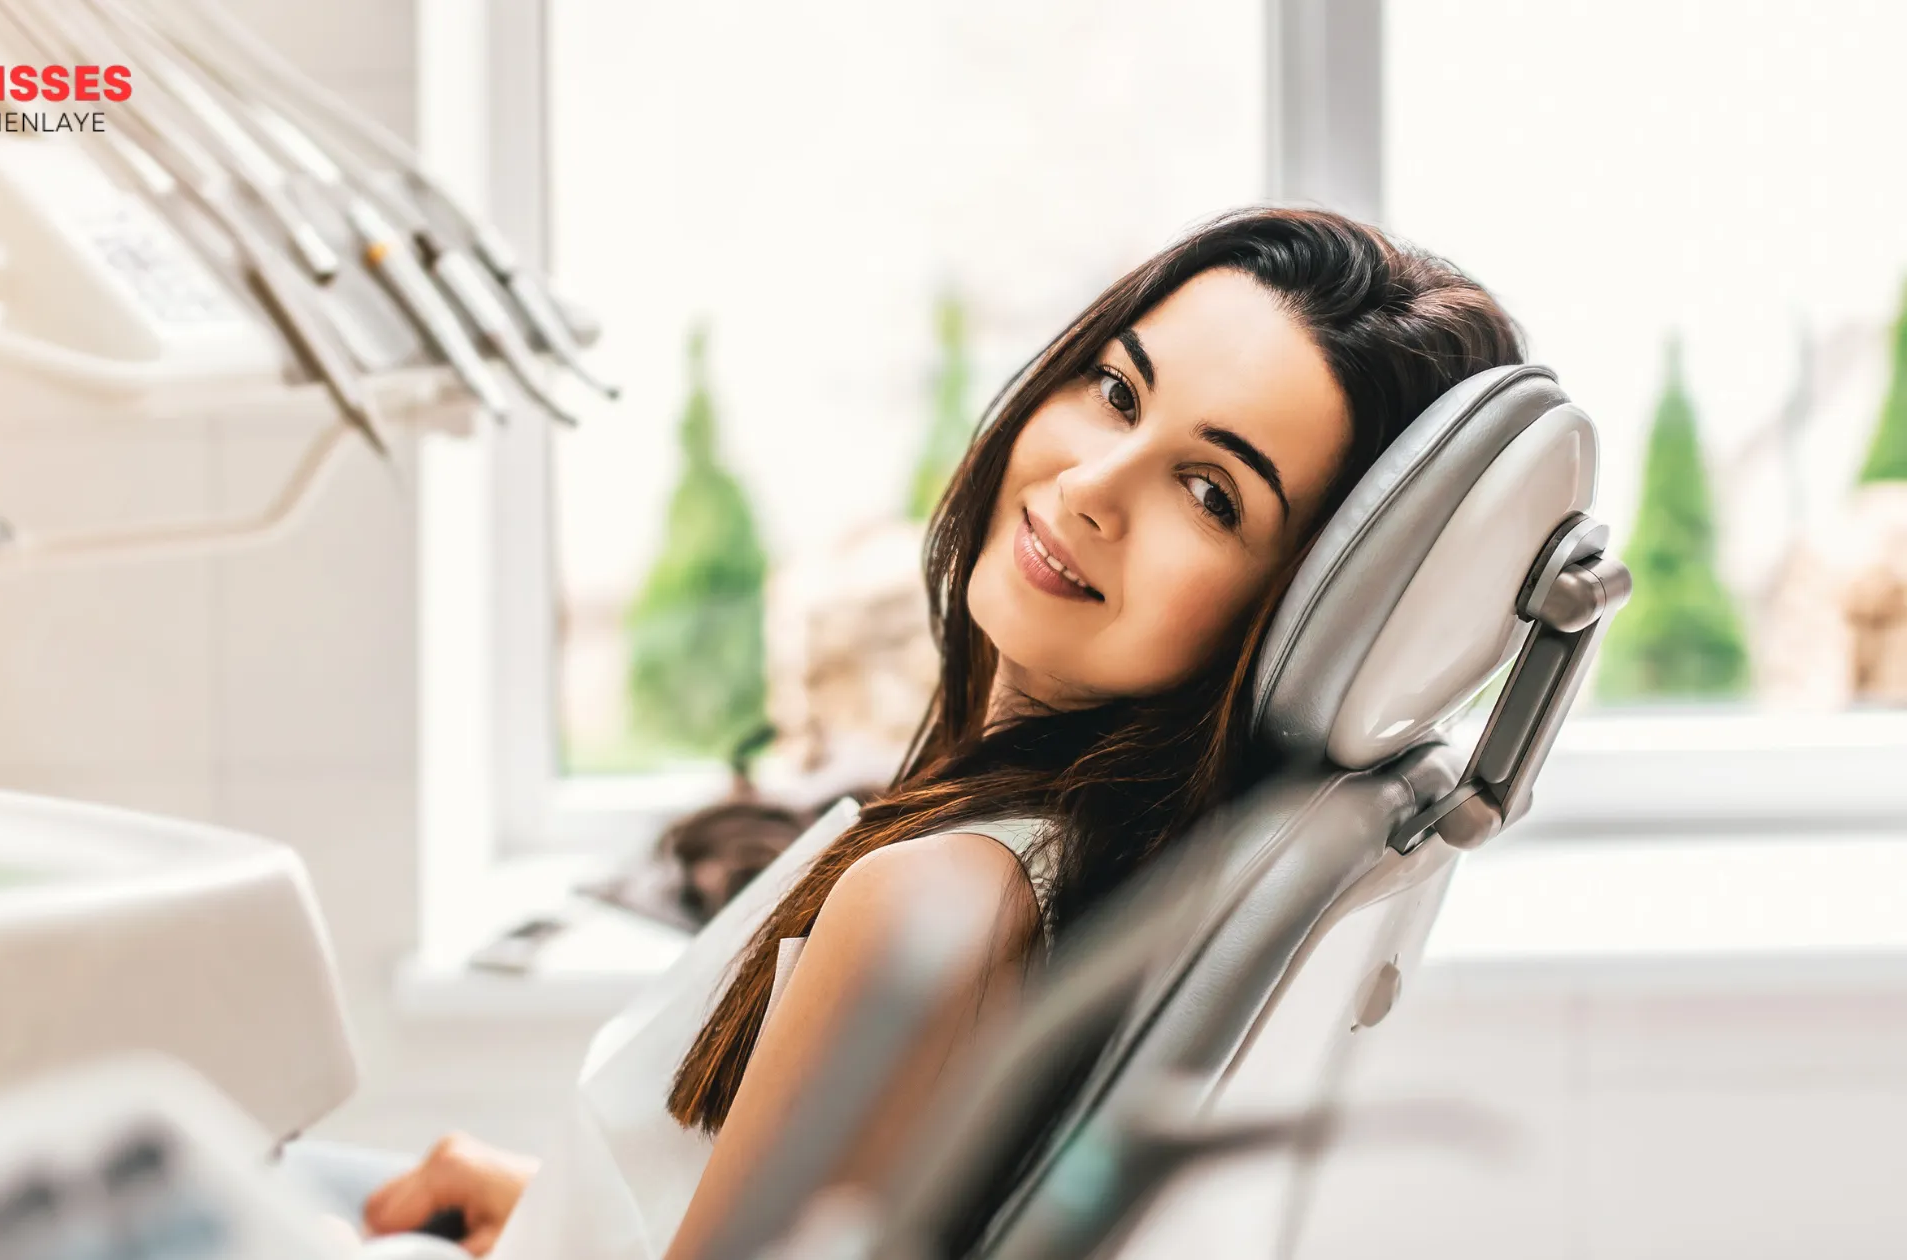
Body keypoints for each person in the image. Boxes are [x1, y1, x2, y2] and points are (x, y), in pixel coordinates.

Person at [348, 207, 1524, 1259]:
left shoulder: (937, 908)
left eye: (1209, 493)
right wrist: (557, 1215)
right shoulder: (1062, 868)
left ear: (1297, 610)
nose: (1089, 486)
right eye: (1116, 391)